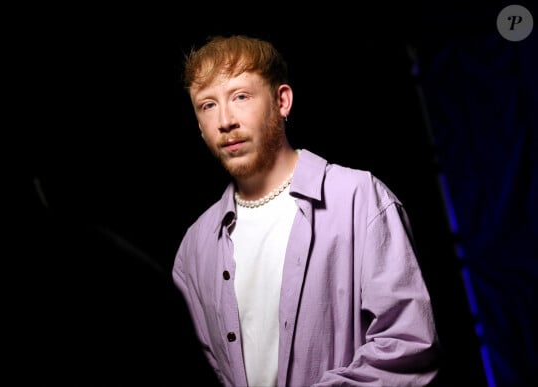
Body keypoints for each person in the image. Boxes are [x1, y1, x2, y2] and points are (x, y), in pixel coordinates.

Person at [172, 34, 440, 387]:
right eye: (207, 105)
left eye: (240, 96)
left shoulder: (358, 198)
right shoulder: (195, 247)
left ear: (282, 101)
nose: (225, 120)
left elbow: (410, 345)